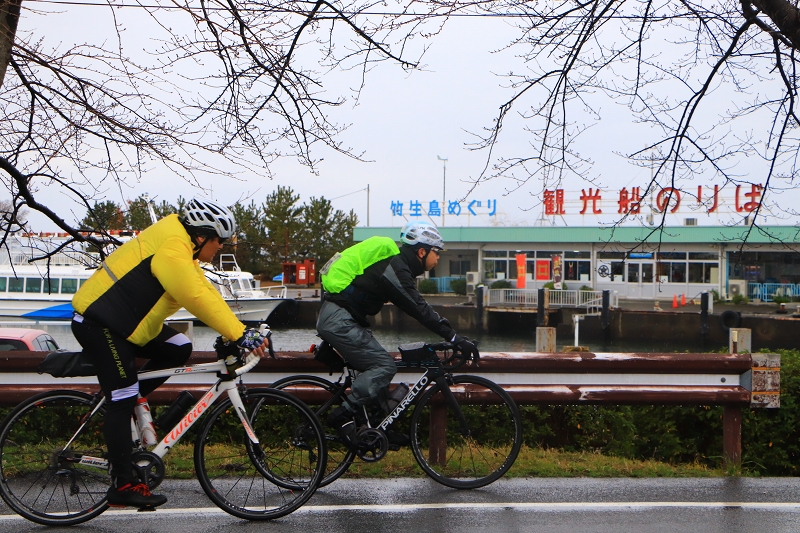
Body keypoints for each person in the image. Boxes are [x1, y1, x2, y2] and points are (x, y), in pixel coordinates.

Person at [71, 198, 269, 509]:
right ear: (202, 235)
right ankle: (123, 484)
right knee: (122, 396)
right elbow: (192, 294)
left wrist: (239, 330)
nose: (220, 248)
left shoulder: (182, 247)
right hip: (100, 323)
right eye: (219, 241)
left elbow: (204, 291)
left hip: (126, 324)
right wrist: (241, 334)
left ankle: (121, 402)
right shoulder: (173, 247)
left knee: (180, 347)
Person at [317, 221, 479, 445]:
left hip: (343, 319)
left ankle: (379, 427)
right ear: (422, 251)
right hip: (340, 321)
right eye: (437, 252)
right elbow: (418, 308)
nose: (438, 258)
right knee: (384, 366)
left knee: (379, 365)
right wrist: (454, 337)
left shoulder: (395, 265)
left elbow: (415, 306)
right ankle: (342, 414)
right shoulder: (395, 267)